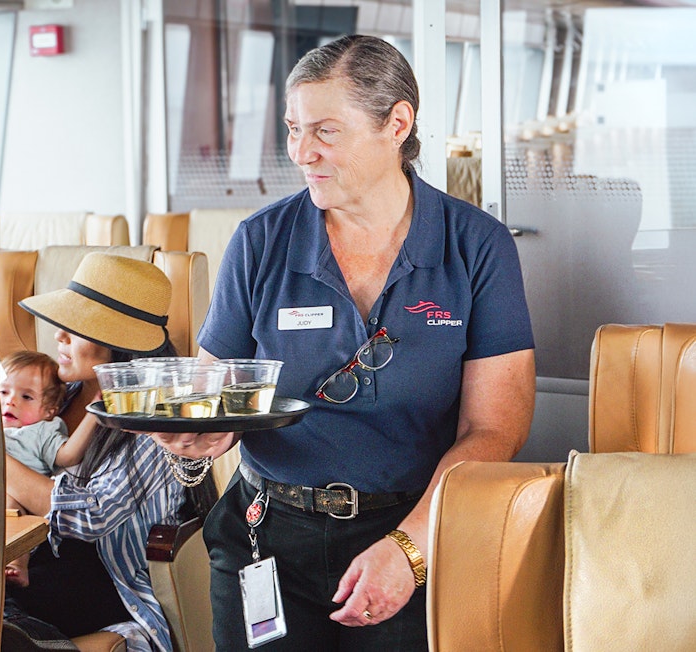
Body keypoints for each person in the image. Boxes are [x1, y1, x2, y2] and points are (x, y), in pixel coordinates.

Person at [151, 35, 536, 650]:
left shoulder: (476, 246)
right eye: (293, 128)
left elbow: (496, 428)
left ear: (397, 123)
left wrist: (410, 550)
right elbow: (217, 392)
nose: (301, 152)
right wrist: (200, 434)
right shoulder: (260, 241)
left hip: (413, 529)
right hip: (266, 536)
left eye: (325, 130)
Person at [2, 253, 214, 652]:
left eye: (75, 327)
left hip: (112, 579)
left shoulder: (157, 418)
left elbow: (91, 514)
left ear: (121, 345)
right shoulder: (56, 397)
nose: (58, 336)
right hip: (44, 560)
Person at [0, 350, 91, 587]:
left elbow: (68, 455)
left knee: (11, 503)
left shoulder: (41, 431)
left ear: (49, 410)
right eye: (3, 392)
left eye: (26, 397)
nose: (11, 401)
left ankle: (17, 564)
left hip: (20, 502)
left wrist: (93, 418)